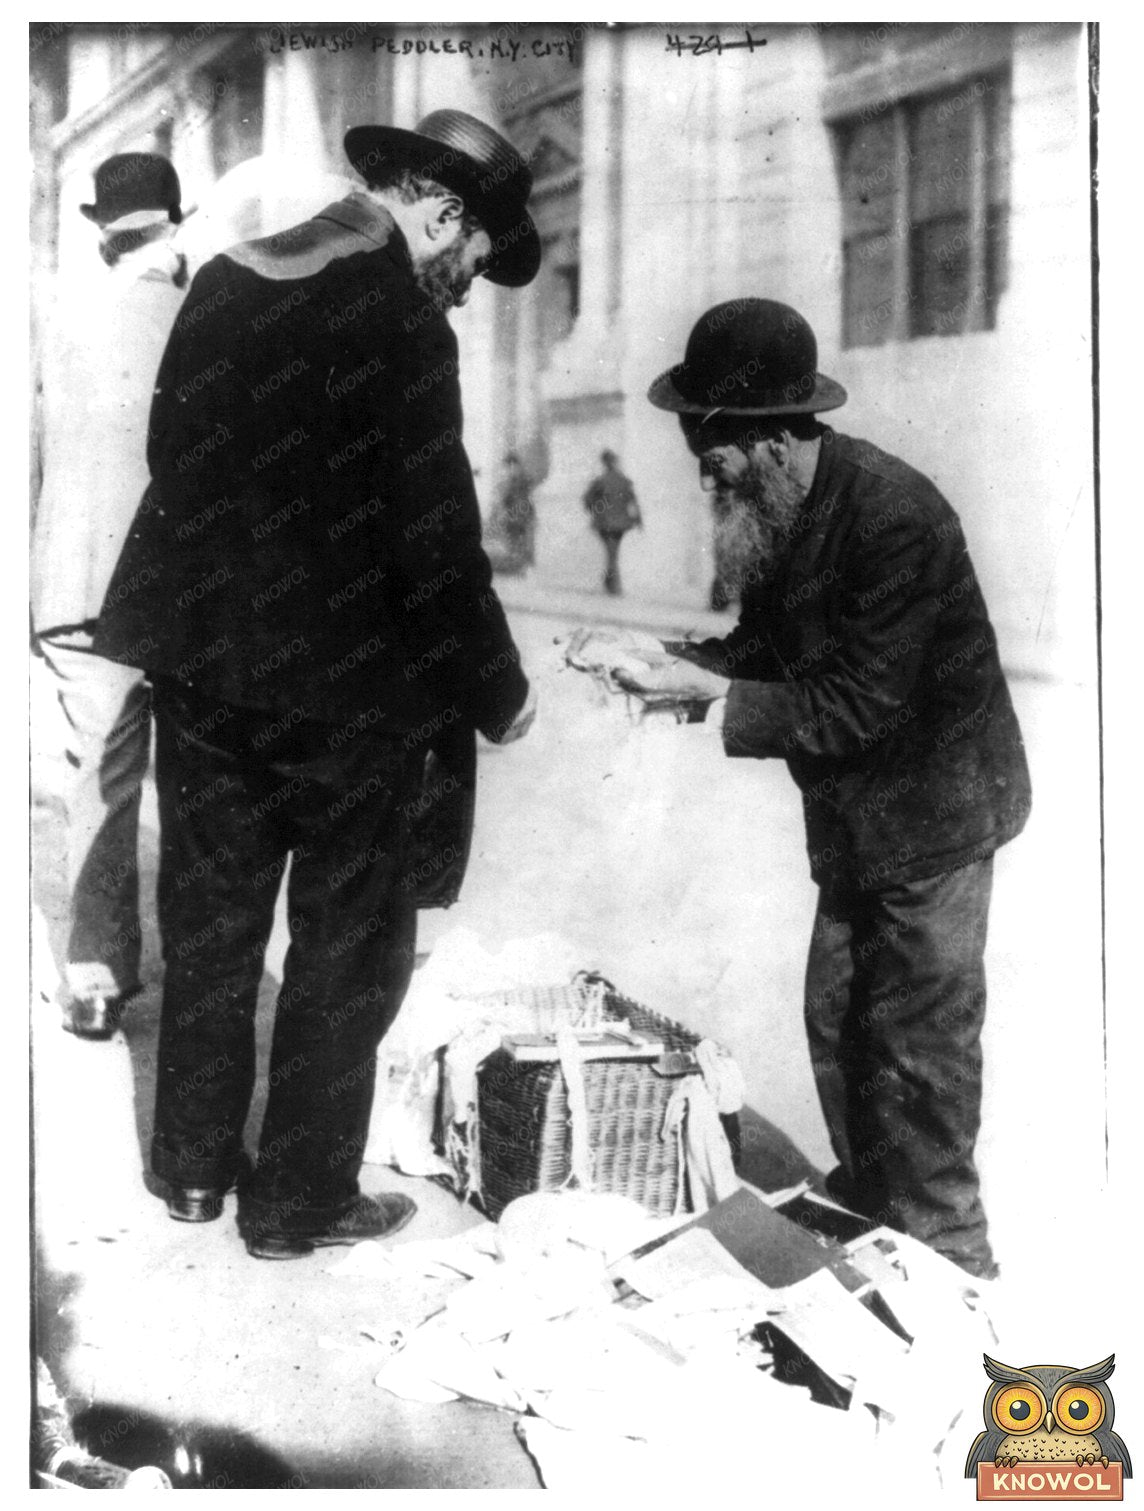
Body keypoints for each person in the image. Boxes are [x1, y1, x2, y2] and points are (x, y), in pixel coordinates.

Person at [93, 110, 540, 1259]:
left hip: (205, 664)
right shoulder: (397, 316)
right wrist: (500, 690)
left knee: (211, 917)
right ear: (442, 210)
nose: (468, 281)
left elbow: (173, 455)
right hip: (343, 693)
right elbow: (435, 540)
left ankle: (190, 1167)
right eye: (475, 256)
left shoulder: (234, 276)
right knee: (346, 942)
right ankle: (296, 1201)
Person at [622, 298, 1031, 1280]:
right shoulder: (778, 508)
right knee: (837, 1010)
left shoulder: (894, 514)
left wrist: (709, 695)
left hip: (935, 811)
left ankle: (951, 1249)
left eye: (708, 446)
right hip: (859, 813)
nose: (700, 466)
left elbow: (857, 707)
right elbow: (760, 651)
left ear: (765, 436)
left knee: (917, 1034)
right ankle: (877, 1188)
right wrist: (661, 662)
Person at [32, 153, 190, 1039]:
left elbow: (29, 456)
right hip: (183, 582)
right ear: (173, 225)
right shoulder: (200, 308)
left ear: (103, 229)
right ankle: (205, 973)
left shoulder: (60, 316)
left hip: (78, 586)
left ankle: (94, 977)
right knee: (202, 788)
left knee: (99, 780)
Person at [583, 449, 641, 595]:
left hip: (605, 523)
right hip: (621, 524)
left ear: (604, 463)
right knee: (613, 553)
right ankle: (612, 585)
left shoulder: (600, 481)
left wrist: (595, 510)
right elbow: (632, 501)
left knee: (611, 553)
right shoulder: (623, 480)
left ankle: (611, 585)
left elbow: (587, 499)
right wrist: (638, 520)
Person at [489, 451, 536, 574]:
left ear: (517, 465)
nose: (511, 469)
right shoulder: (510, 482)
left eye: (512, 466)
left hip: (522, 517)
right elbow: (505, 500)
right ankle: (517, 565)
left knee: (522, 540)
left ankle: (522, 564)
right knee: (513, 541)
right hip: (512, 518)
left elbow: (527, 499)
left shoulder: (524, 480)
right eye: (508, 467)